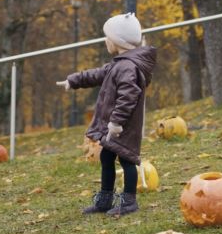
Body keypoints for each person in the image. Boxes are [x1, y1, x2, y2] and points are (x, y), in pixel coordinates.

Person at [56, 13, 156, 216]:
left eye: (108, 38)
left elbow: (129, 96)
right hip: (115, 126)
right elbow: (97, 74)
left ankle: (129, 202)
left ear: (118, 42)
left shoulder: (128, 67)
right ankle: (105, 199)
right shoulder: (119, 64)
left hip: (123, 127)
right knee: (107, 158)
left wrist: (117, 122)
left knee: (128, 160)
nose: (105, 41)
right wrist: (74, 80)